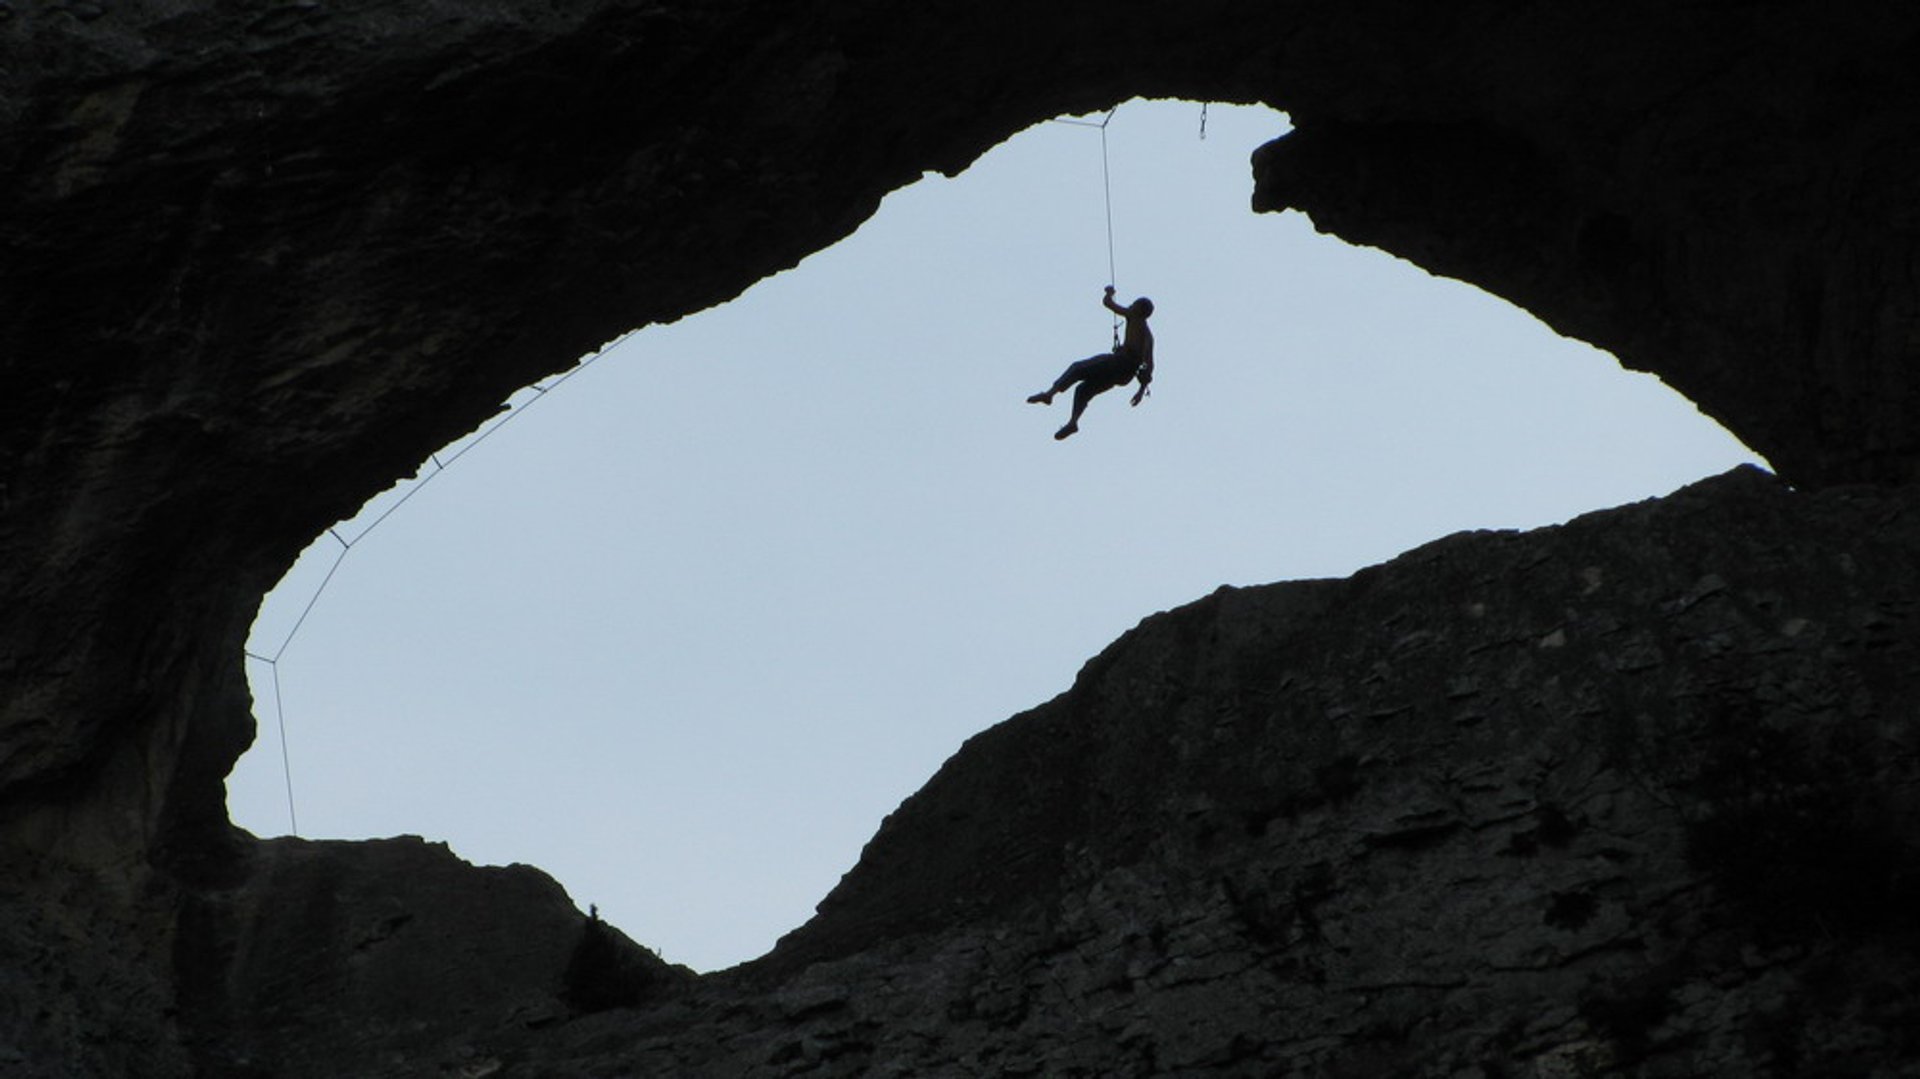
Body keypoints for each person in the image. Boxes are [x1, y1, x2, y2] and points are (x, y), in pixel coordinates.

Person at [1027, 286, 1155, 440]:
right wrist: (1141, 391)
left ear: (1139, 310)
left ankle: (1049, 394)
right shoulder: (1148, 337)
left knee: (1077, 368)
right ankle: (1073, 422)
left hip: (1118, 363)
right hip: (1123, 375)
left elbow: (1108, 304)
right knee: (1083, 390)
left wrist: (1109, 293)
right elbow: (1150, 366)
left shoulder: (1134, 317)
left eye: (1133, 304)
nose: (1130, 306)